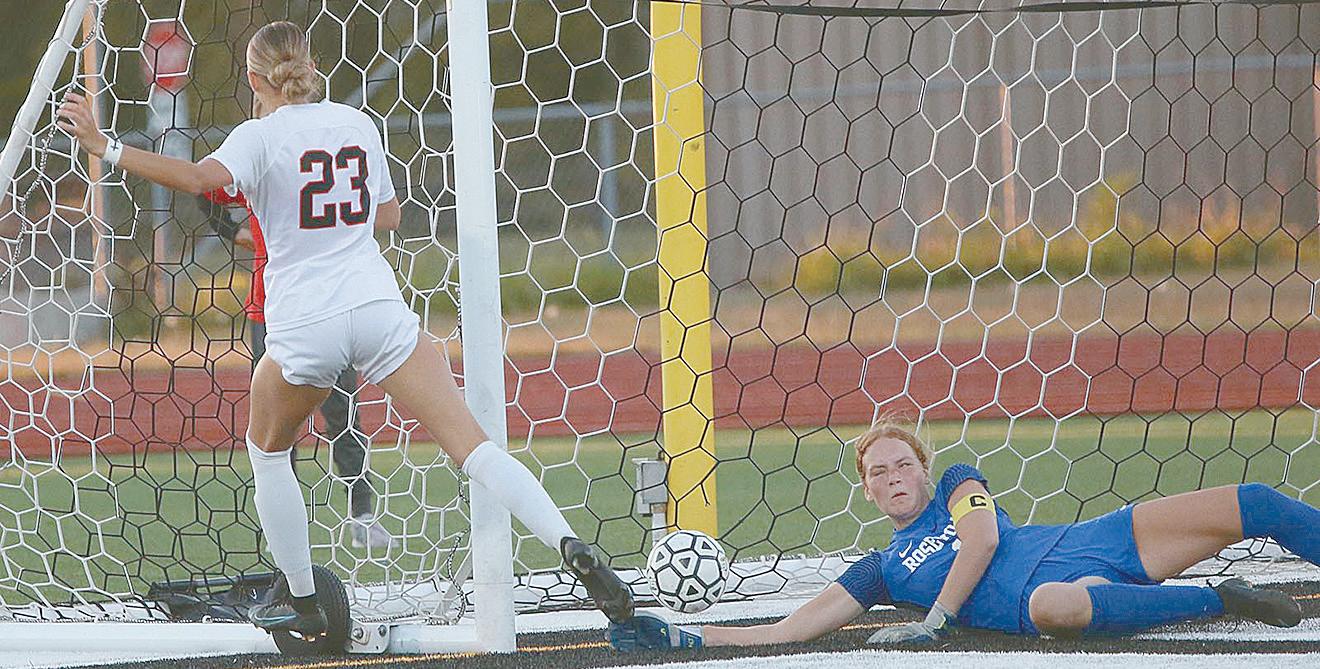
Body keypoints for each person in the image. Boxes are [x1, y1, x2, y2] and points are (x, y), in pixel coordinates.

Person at [58, 20, 633, 639]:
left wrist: (104, 146)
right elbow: (388, 215)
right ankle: (571, 545)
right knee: (476, 448)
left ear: (253, 78)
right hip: (376, 306)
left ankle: (303, 600)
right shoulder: (358, 125)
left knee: (267, 452)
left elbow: (200, 180)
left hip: (306, 321)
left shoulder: (257, 137)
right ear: (310, 67)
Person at [610, 417, 1316, 650]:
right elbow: (788, 629)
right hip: (1050, 597)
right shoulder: (882, 568)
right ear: (867, 489)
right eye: (878, 471)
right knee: (1054, 607)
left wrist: (936, 620)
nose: (894, 476)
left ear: (922, 468)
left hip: (1091, 541)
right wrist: (681, 635)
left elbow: (980, 541)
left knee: (1253, 500)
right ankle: (1224, 598)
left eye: (902, 464)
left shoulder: (957, 482)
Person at [200, 187, 393, 549]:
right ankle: (284, 526)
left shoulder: (323, 173)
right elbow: (204, 189)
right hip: (271, 312)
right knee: (277, 424)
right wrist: (234, 232)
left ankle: (362, 515)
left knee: (342, 412)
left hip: (327, 306)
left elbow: (386, 214)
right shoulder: (261, 171)